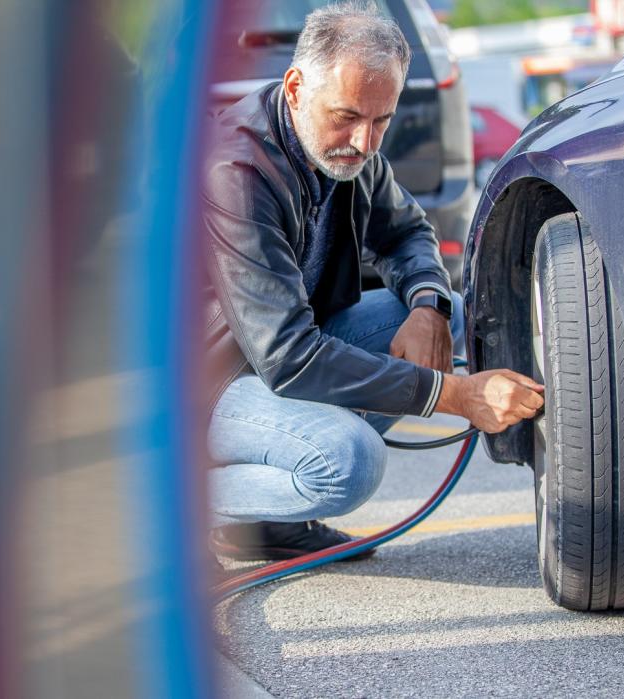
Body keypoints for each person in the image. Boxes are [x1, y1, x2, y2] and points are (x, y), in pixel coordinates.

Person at [202, 1, 543, 562]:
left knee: (451, 312)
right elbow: (290, 357)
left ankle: (274, 525)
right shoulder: (235, 172)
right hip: (212, 386)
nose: (364, 141)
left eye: (380, 120)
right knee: (348, 462)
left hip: (287, 350)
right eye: (347, 116)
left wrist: (427, 305)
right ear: (294, 88)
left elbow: (406, 232)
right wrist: (453, 395)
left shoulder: (345, 151)